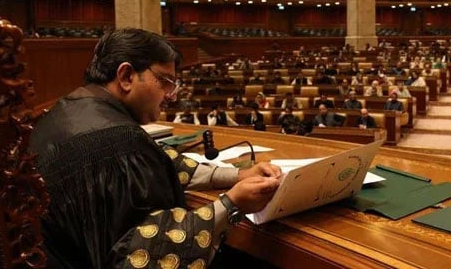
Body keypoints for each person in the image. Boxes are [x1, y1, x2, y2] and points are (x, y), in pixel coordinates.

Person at [30, 28, 281, 268]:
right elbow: (144, 254)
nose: (171, 95)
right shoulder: (117, 140)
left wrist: (237, 175)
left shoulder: (69, 110)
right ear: (127, 76)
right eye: (164, 81)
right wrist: (231, 205)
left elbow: (157, 163)